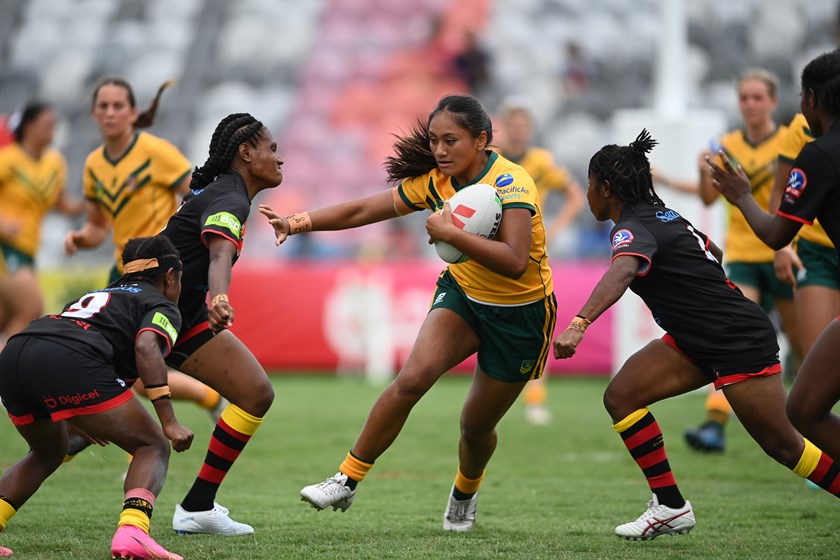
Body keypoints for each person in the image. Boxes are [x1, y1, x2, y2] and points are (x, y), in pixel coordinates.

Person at [260, 94, 556, 532]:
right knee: (411, 380)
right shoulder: (435, 182)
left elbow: (514, 261)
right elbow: (364, 209)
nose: (439, 150)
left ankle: (465, 490)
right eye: (434, 140)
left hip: (521, 313)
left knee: (474, 428)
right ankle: (347, 477)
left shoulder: (513, 182)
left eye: (450, 140)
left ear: (482, 140)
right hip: (464, 296)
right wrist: (298, 222)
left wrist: (450, 231)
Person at [553, 129, 840, 541]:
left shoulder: (630, 229)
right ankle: (670, 507)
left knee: (784, 446)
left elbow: (623, 270)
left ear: (605, 187)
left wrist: (579, 324)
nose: (588, 194)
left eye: (589, 184)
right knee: (621, 397)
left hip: (733, 339)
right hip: (698, 337)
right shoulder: (667, 216)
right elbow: (712, 253)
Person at [0, 235, 193, 560]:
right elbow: (147, 348)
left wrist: (75, 411)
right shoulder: (163, 304)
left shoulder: (98, 293)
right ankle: (133, 532)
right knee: (153, 445)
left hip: (15, 353)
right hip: (68, 359)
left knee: (49, 452)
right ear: (170, 277)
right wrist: (169, 422)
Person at [63, 76, 225, 420]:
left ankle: (128, 444)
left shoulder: (155, 152)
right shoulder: (94, 164)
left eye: (118, 106)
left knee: (134, 365)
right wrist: (81, 238)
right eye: (103, 106)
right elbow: (97, 227)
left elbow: (197, 196)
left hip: (159, 271)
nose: (110, 113)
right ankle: (203, 399)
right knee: (118, 366)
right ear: (93, 113)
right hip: (123, 269)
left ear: (133, 112)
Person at [708, 49, 840, 463]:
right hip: (798, 261)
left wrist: (741, 195)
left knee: (802, 408)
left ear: (812, 99)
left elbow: (776, 231)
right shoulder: (746, 142)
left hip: (789, 256)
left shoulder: (818, 155)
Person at [161, 112, 280, 535]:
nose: (278, 159)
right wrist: (222, 298)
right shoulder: (231, 198)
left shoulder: (223, 192)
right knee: (74, 430)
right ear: (245, 153)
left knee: (255, 393)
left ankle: (197, 507)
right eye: (271, 149)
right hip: (145, 315)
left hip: (181, 312)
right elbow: (217, 255)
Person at [685, 68, 801, 453]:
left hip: (787, 253)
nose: (750, 104)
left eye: (757, 97)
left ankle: (812, 435)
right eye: (744, 98)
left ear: (772, 101)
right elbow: (707, 198)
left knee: (807, 348)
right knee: (733, 340)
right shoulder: (727, 144)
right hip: (746, 257)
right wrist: (704, 171)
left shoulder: (791, 139)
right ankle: (714, 425)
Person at [496, 95, 584, 425]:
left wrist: (555, 227)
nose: (518, 132)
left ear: (530, 129)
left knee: (537, 325)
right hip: (493, 252)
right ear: (503, 129)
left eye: (523, 126)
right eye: (513, 126)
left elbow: (575, 196)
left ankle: (535, 399)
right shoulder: (490, 160)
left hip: (531, 253)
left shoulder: (542, 162)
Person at [0, 101, 84, 341]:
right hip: (5, 247)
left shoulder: (54, 164)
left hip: (27, 249)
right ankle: (7, 371)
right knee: (31, 307)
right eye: (47, 124)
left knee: (6, 317)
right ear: (28, 126)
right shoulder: (8, 160)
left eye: (54, 125)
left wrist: (88, 204)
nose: (52, 130)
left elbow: (60, 203)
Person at [768, 112, 839, 359]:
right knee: (817, 358)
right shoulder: (801, 126)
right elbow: (779, 190)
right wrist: (782, 248)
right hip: (815, 252)